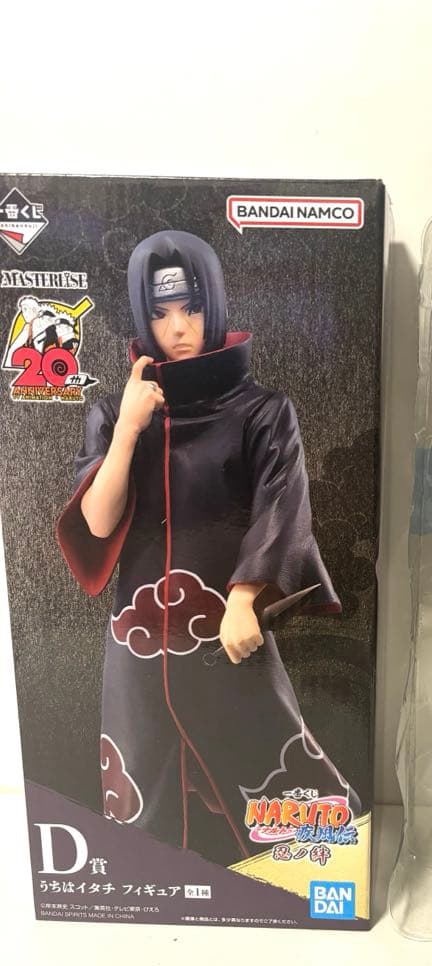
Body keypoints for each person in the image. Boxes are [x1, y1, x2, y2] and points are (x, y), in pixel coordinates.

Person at [57, 230, 357, 862]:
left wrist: (245, 597)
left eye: (191, 308)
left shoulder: (262, 411)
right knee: (142, 785)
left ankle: (311, 872)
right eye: (161, 313)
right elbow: (98, 521)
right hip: (140, 640)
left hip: (225, 632)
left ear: (214, 304)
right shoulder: (113, 412)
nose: (178, 328)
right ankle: (157, 886)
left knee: (272, 760)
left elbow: (282, 506)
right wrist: (128, 429)